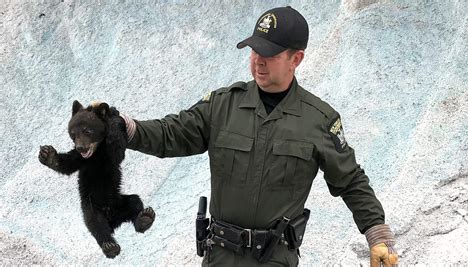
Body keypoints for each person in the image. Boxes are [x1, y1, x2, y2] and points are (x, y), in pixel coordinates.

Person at [118, 6, 399, 266]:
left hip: (275, 258)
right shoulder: (222, 105)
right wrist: (122, 127)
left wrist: (378, 235)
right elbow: (171, 134)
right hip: (220, 257)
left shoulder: (319, 120)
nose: (258, 62)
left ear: (296, 59)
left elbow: (350, 181)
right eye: (254, 52)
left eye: (270, 55)